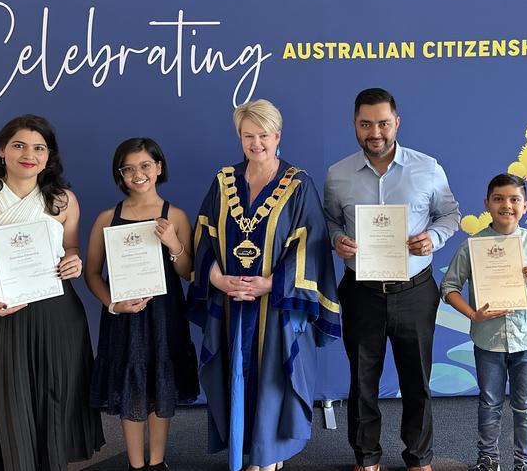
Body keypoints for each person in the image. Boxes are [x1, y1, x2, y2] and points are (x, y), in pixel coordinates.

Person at [0, 114, 104, 471]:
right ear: (2, 151)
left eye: (39, 147)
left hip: (56, 311)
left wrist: (73, 262)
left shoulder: (63, 200)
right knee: (7, 399)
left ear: (49, 156)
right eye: (19, 145)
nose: (29, 154)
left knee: (53, 397)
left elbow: (71, 247)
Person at [188, 99, 341, 471]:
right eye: (247, 136)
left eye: (263, 135)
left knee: (272, 377)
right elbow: (204, 237)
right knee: (235, 374)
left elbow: (312, 246)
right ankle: (246, 452)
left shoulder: (298, 184)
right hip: (231, 304)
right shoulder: (224, 181)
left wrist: (270, 284)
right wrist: (217, 279)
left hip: (277, 308)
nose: (256, 143)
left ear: (277, 136)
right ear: (239, 137)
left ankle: (268, 458)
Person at [323, 88, 460, 471]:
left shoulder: (427, 167)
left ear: (397, 122)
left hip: (415, 291)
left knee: (417, 380)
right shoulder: (338, 175)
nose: (375, 132)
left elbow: (451, 214)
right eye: (366, 124)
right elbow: (331, 219)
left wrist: (432, 238)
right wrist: (338, 239)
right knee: (363, 381)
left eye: (383, 123)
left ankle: (419, 458)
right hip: (361, 292)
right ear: (355, 125)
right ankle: (366, 458)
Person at [86, 138, 199, 471]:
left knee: (159, 384)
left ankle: (156, 462)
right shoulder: (107, 218)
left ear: (159, 168)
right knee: (131, 387)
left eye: (145, 166)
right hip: (124, 318)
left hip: (165, 316)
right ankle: (136, 465)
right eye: (129, 168)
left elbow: (189, 271)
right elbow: (92, 274)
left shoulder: (175, 215)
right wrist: (113, 304)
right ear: (120, 175)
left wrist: (173, 242)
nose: (138, 174)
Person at [441, 173, 527, 471]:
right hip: (488, 338)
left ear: (525, 206)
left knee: (526, 407)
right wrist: (472, 314)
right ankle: (488, 458)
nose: (507, 205)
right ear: (487, 204)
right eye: (499, 199)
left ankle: (525, 463)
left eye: (514, 199)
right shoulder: (472, 247)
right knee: (489, 403)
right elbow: (449, 288)